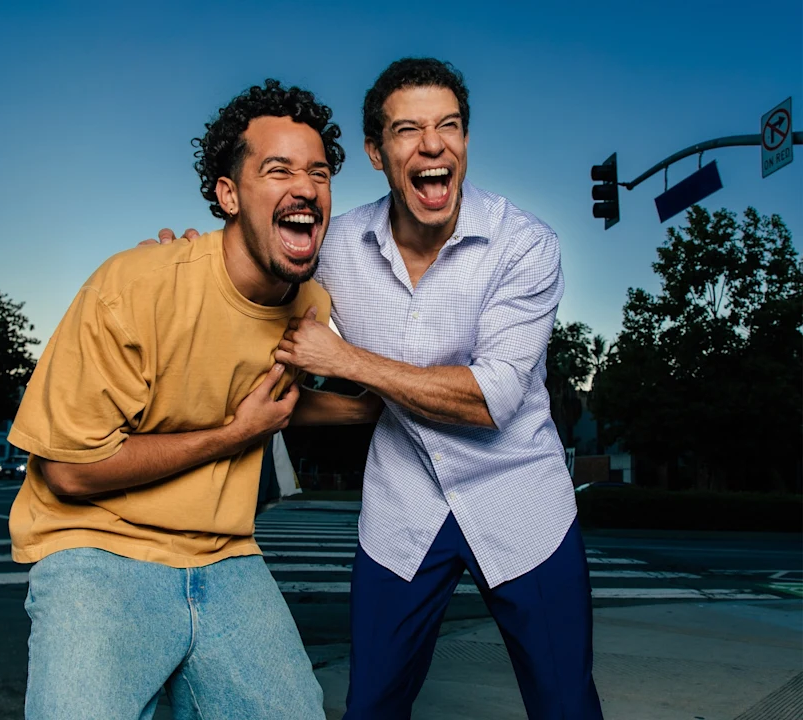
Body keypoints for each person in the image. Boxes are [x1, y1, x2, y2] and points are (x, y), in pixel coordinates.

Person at [145, 58, 603, 720]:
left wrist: (349, 359)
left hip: (521, 502)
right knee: (373, 706)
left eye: (449, 126)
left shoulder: (524, 245)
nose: (432, 144)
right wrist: (187, 264)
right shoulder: (336, 248)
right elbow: (253, 280)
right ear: (377, 152)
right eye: (407, 129)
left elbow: (491, 397)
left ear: (465, 142)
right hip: (404, 510)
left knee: (565, 704)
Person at [8, 79, 379, 720]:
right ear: (228, 194)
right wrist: (233, 438)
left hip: (225, 554)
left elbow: (262, 397)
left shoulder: (312, 307)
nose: (307, 187)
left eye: (318, 172)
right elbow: (67, 470)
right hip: (94, 546)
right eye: (278, 168)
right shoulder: (134, 288)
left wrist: (367, 409)